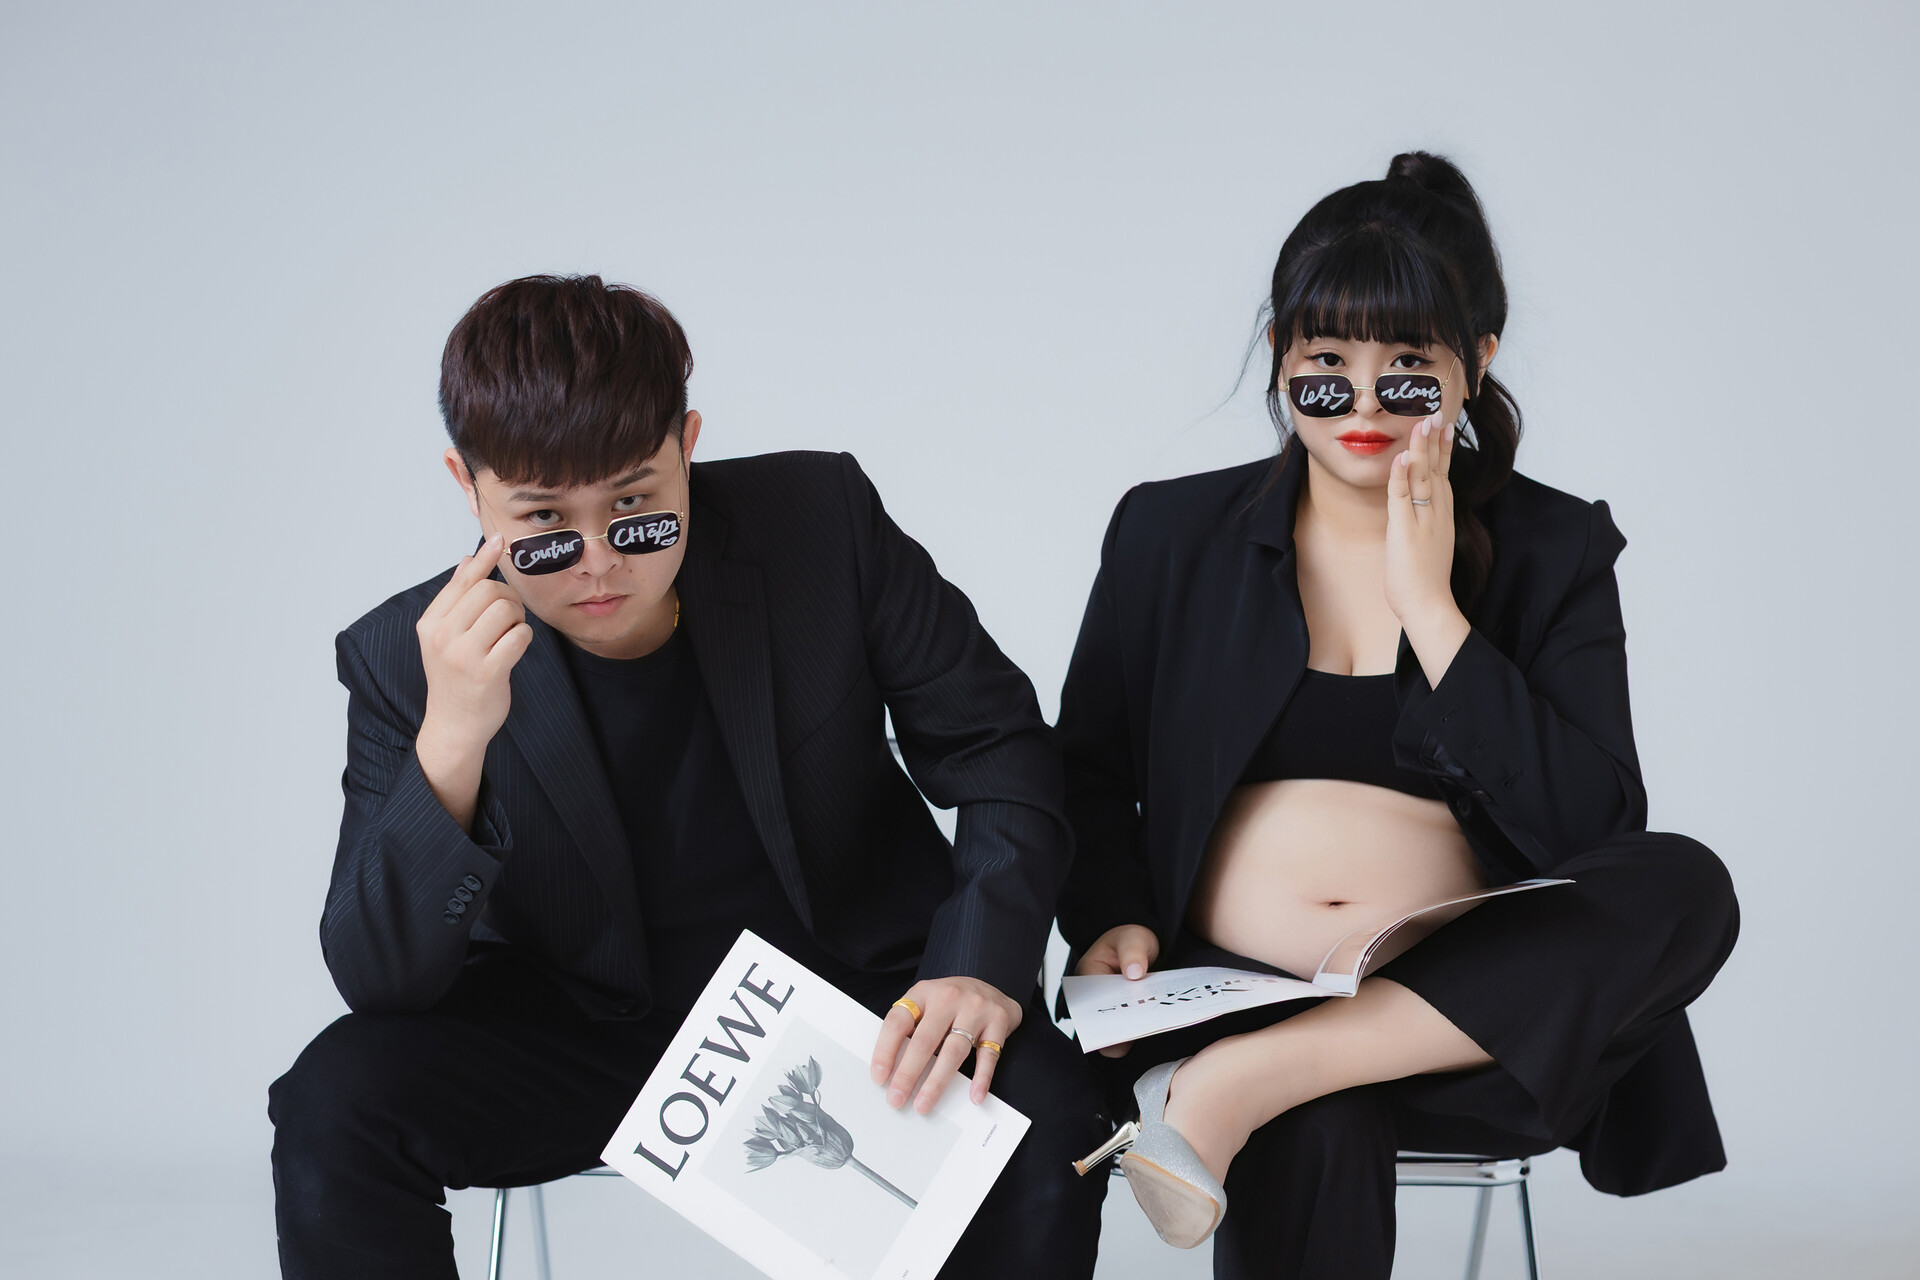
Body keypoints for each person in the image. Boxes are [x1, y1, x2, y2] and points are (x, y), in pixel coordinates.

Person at [268, 275, 1108, 1279]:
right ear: (468, 483)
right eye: (544, 524)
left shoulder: (821, 523)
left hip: (866, 1003)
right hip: (584, 1031)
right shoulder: (402, 658)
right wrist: (448, 743)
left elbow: (998, 742)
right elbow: (380, 979)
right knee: (333, 1101)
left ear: (688, 445)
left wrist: (976, 960)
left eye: (637, 512)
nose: (597, 564)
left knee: (1055, 1116)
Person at [1054, 153, 1739, 1279]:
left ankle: (1238, 1084)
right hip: (1216, 991)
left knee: (1685, 882)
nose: (1365, 404)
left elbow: (1594, 828)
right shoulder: (1167, 536)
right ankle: (1255, 1071)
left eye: (1409, 370)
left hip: (1465, 1028)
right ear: (1281, 352)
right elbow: (1085, 771)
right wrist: (1112, 911)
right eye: (1327, 366)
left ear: (1478, 363)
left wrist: (1433, 611)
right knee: (1322, 1119)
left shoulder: (1555, 549)